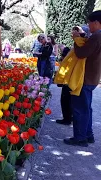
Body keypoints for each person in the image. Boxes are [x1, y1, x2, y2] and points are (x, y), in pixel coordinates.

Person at [63, 10, 101, 147]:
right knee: (86, 108)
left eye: (90, 23)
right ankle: (88, 135)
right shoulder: (97, 36)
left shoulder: (97, 36)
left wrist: (76, 40)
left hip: (84, 79)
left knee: (79, 109)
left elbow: (82, 53)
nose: (88, 25)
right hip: (92, 78)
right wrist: (83, 36)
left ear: (96, 22)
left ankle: (80, 138)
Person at [56, 45, 72, 125]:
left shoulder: (69, 57)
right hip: (69, 81)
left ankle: (67, 119)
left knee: (65, 100)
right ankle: (68, 118)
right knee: (68, 101)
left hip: (67, 81)